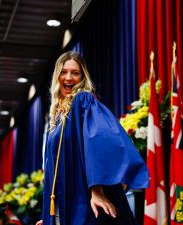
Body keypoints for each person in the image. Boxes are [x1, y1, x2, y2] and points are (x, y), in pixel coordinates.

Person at [36, 51, 149, 225]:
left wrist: (96, 190)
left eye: (75, 73)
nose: (69, 78)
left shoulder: (83, 101)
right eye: (64, 72)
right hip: (62, 208)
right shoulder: (57, 119)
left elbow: (99, 142)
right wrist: (50, 217)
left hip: (83, 204)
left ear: (82, 78)